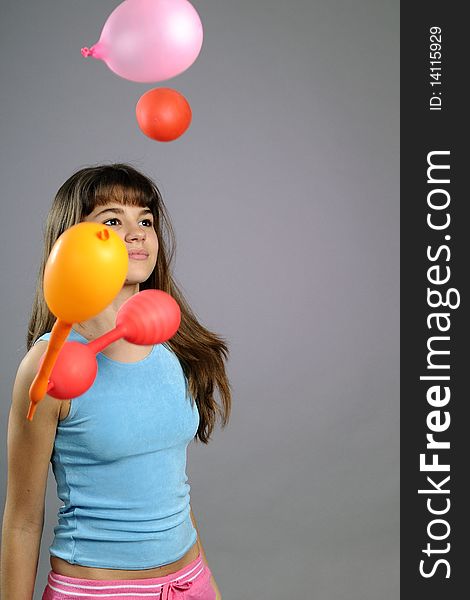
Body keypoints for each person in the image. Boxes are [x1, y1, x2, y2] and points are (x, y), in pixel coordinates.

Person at [1, 163, 231, 600]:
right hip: (97, 593)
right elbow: (23, 519)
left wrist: (209, 588)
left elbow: (170, 488)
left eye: (145, 220)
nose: (137, 232)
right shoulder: (48, 365)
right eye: (111, 220)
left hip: (188, 582)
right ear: (69, 242)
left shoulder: (173, 345)